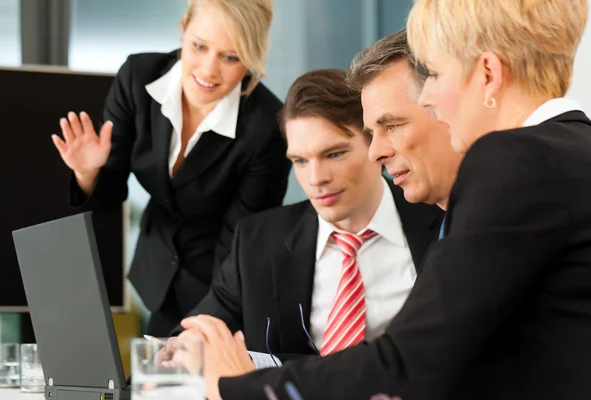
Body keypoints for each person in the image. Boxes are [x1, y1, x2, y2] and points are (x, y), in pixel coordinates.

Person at [183, 2, 591, 395]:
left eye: (436, 74)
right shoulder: (572, 146)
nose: (429, 97)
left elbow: (409, 363)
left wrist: (237, 387)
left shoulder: (515, 158)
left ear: (487, 73)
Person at [177, 30, 465, 399]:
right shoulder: (257, 241)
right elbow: (196, 336)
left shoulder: (441, 218)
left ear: (372, 144)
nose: (316, 179)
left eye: (334, 154)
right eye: (300, 161)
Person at [51, 0, 291, 337]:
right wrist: (89, 173)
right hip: (157, 276)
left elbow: (242, 240)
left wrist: (200, 328)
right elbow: (110, 194)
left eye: (231, 56)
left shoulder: (266, 128)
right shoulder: (138, 79)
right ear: (183, 29)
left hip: (223, 290)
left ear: (252, 57)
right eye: (199, 46)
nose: (208, 70)